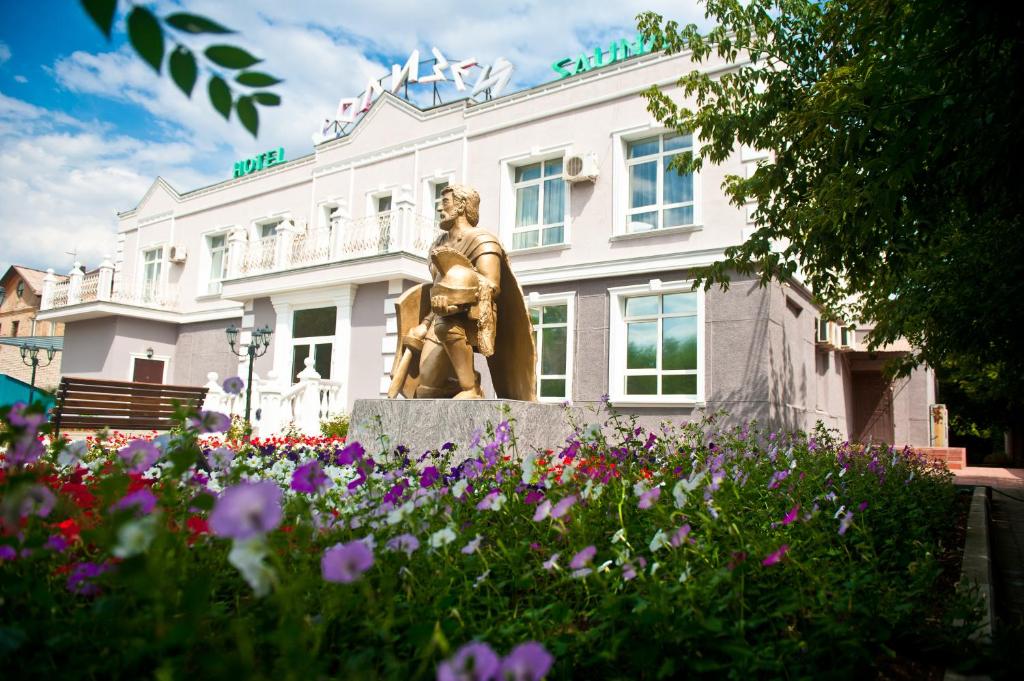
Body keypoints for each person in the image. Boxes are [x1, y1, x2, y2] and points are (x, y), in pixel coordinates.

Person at [389, 184, 535, 400]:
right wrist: (425, 323)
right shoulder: (438, 244)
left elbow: (491, 284)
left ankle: (471, 388)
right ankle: (459, 382)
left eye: (445, 202)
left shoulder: (483, 240)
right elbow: (438, 290)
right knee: (426, 390)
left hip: (474, 315)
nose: (440, 208)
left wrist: (457, 298)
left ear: (461, 205)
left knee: (446, 325)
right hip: (440, 316)